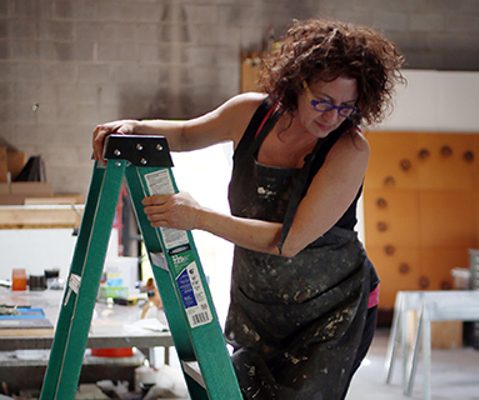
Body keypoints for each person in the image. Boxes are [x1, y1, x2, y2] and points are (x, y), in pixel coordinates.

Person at [92, 18, 405, 400]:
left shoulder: (349, 150)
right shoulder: (251, 115)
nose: (331, 116)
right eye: (321, 102)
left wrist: (199, 217)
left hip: (330, 312)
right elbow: (188, 134)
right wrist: (133, 127)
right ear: (297, 82)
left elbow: (288, 242)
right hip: (260, 303)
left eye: (345, 107)